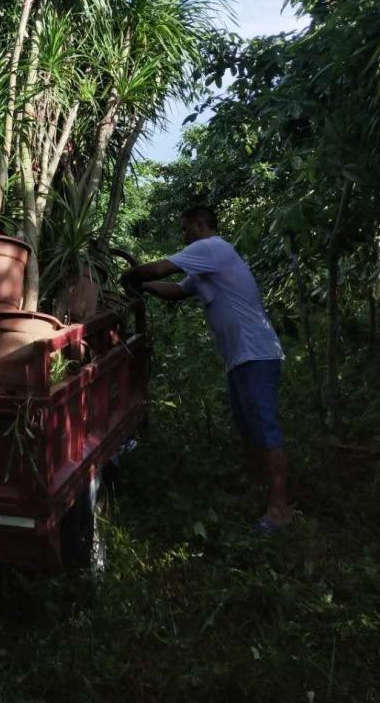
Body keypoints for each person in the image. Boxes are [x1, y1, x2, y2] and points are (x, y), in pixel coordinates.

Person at [122, 205, 290, 533]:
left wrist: (132, 273)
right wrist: (142, 288)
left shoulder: (213, 248)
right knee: (249, 430)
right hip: (241, 358)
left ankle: (280, 508)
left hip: (256, 355)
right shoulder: (204, 269)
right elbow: (176, 291)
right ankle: (260, 493)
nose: (183, 235)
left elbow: (159, 269)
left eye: (186, 229)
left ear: (200, 225)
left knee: (266, 431)